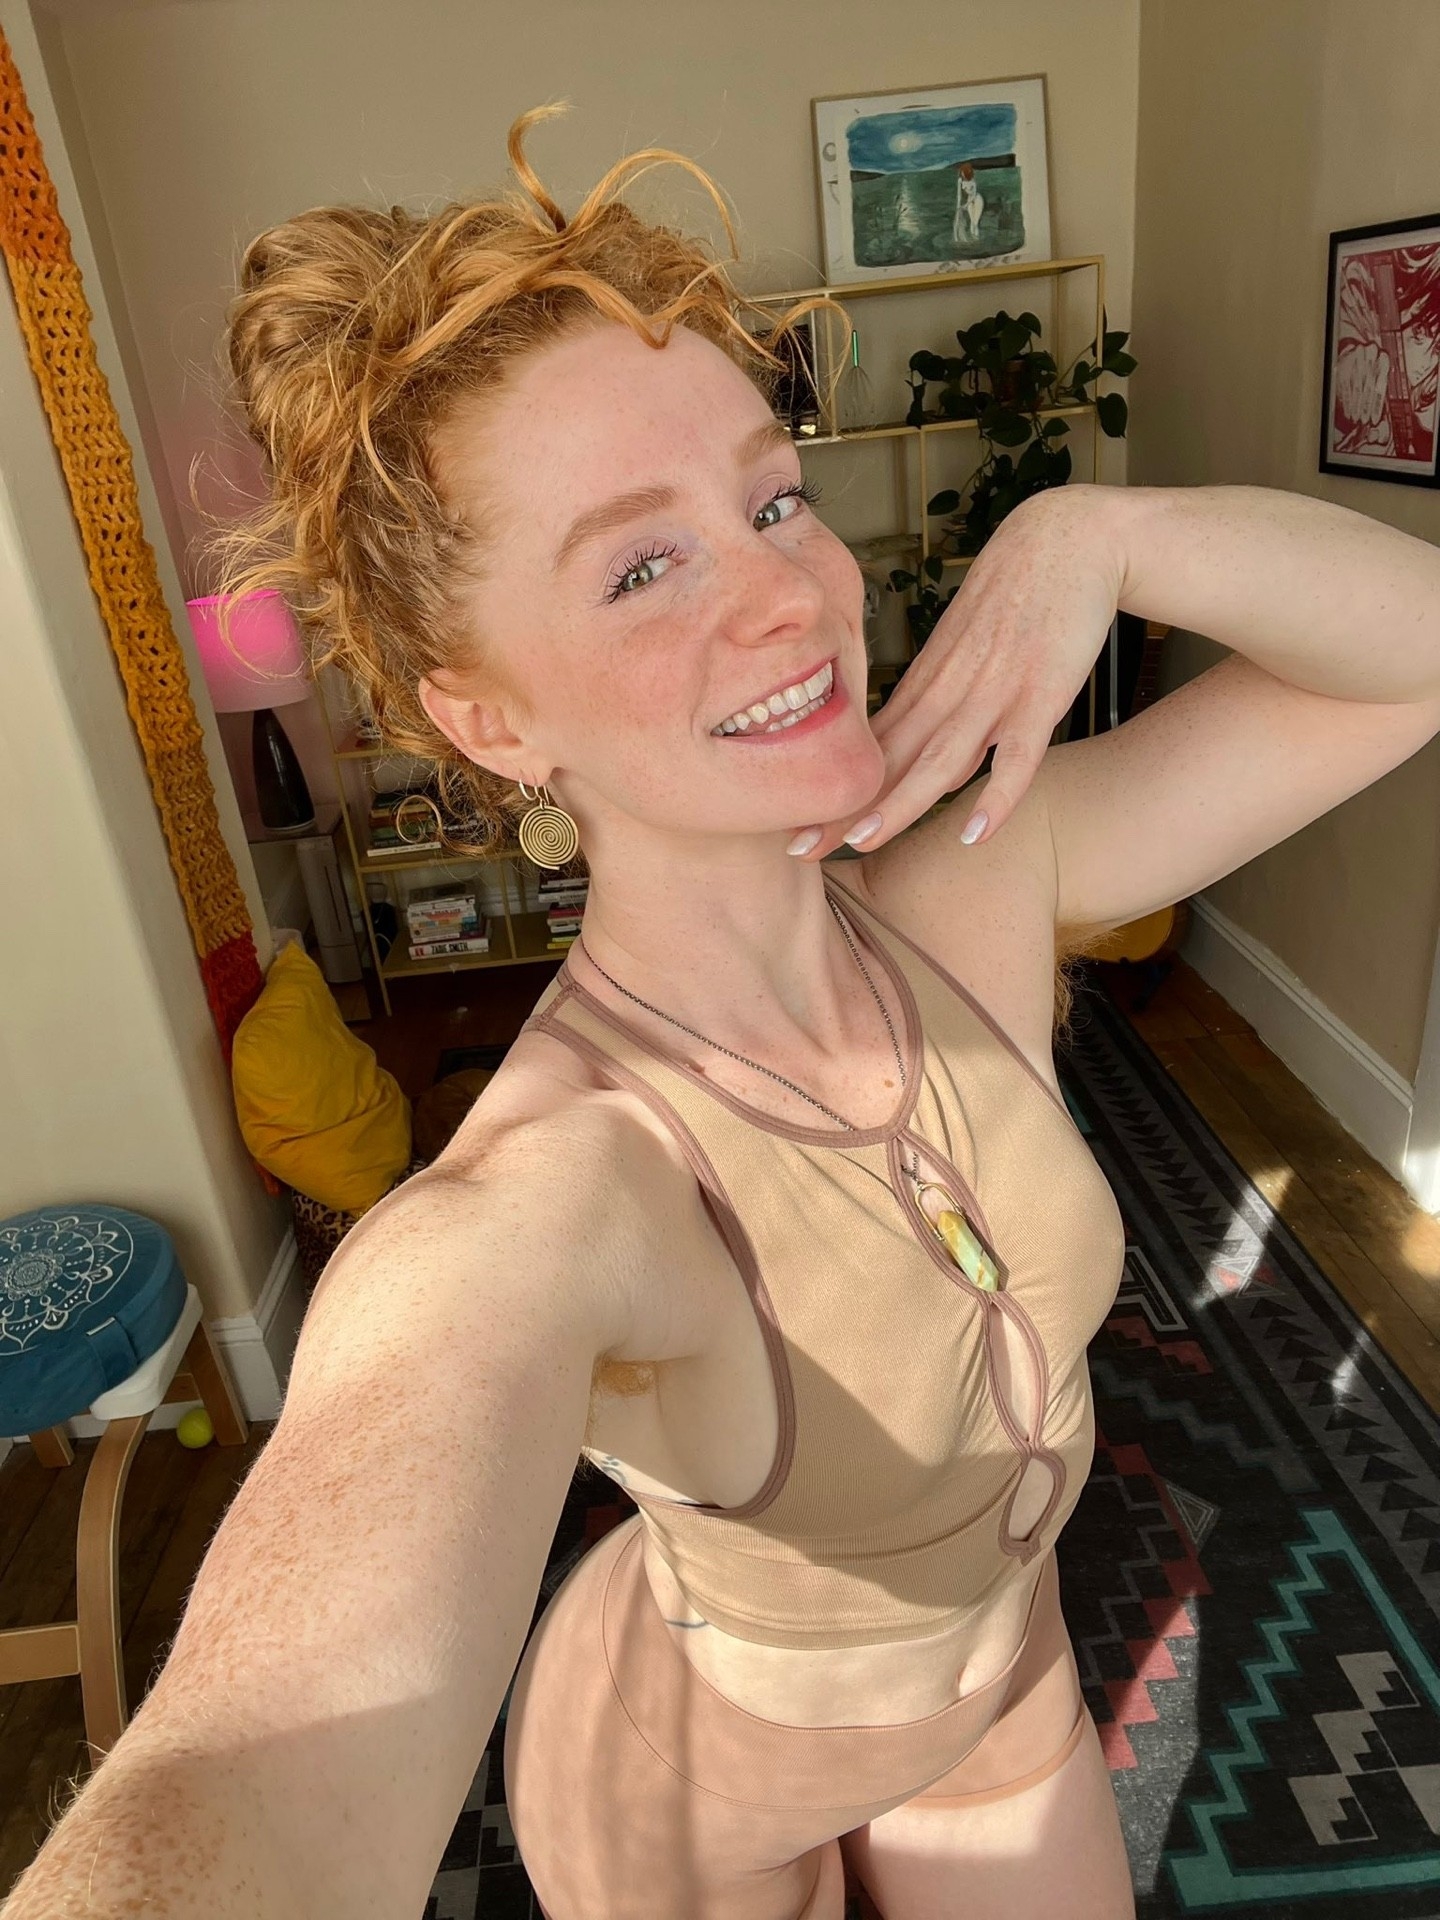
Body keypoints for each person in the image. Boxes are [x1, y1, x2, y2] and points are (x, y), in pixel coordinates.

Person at [8, 103, 1440, 1920]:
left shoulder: (979, 877)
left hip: (1000, 1685)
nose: (789, 593)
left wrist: (1102, 533)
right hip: (687, 1792)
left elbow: (1407, 658)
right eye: (640, 566)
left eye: (771, 501)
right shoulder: (556, 1191)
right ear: (488, 719)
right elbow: (252, 1765)